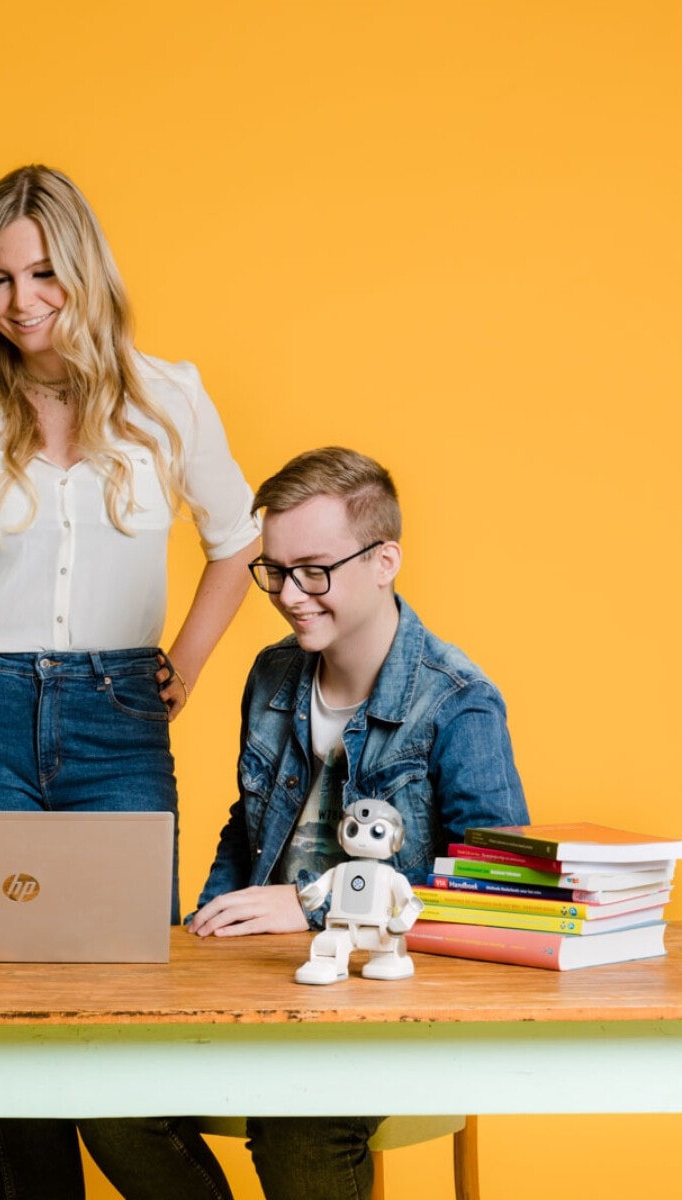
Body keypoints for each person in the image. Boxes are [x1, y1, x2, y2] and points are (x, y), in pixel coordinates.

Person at [0, 165, 260, 1197]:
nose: (22, 303)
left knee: (129, 1008)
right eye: (0, 279)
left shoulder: (168, 397)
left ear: (86, 271)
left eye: (44, 273)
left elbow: (238, 540)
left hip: (117, 721)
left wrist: (184, 663)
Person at [80, 446, 529, 1200]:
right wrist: (207, 930)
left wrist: (315, 903)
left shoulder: (459, 702)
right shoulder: (272, 672)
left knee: (298, 1121)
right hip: (262, 986)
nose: (290, 595)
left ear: (385, 561)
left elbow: (497, 893)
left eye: (314, 571)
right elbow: (246, 826)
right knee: (105, 1095)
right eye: (275, 570)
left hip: (390, 1004)